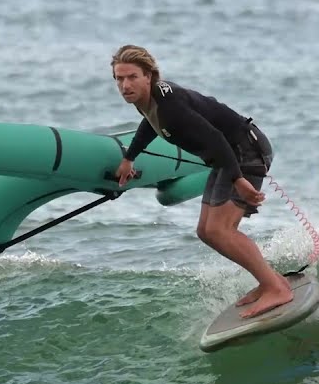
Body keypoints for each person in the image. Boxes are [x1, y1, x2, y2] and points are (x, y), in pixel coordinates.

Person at [110, 44, 293, 318]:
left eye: (132, 77)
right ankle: (271, 281)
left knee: (221, 230)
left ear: (149, 75)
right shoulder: (148, 100)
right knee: (207, 232)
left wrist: (239, 180)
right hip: (229, 156)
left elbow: (216, 138)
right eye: (119, 79)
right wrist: (130, 157)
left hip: (244, 151)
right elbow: (150, 123)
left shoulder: (170, 106)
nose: (125, 85)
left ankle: (275, 288)